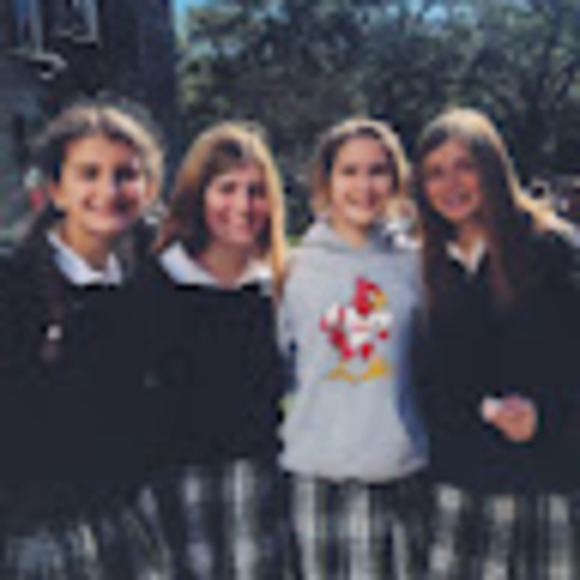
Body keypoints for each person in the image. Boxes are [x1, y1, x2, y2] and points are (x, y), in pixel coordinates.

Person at [0, 97, 170, 578]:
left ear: (148, 188)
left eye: (125, 174)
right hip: (38, 536)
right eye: (89, 174)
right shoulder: (13, 286)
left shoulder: (148, 284)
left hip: (125, 527)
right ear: (56, 190)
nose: (108, 191)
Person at [413, 107, 580, 579]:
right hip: (461, 489)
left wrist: (544, 417)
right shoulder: (428, 265)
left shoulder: (551, 249)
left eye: (465, 166)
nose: (451, 184)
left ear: (493, 168)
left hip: (547, 485)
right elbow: (431, 380)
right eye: (435, 173)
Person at [278, 118, 429, 579]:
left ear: (396, 179)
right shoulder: (294, 269)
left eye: (377, 171)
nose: (364, 186)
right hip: (319, 479)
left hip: (402, 477)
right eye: (349, 171)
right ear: (327, 180)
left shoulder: (416, 266)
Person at [139, 122, 288, 579]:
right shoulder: (157, 280)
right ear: (197, 195)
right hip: (175, 481)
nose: (242, 206)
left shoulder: (277, 287)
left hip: (257, 479)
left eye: (256, 191)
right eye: (227, 189)